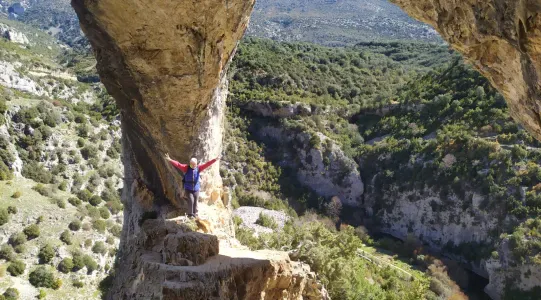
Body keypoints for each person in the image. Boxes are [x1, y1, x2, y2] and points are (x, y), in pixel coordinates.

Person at [164, 153, 220, 218]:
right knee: (191, 200)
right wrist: (170, 160)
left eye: (194, 164)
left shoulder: (199, 168)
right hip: (188, 188)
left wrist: (215, 159)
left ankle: (195, 214)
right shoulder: (186, 168)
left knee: (195, 202)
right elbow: (178, 165)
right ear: (190, 163)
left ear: (196, 164)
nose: (193, 166)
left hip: (196, 189)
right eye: (192, 164)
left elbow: (207, 164)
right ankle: (190, 215)